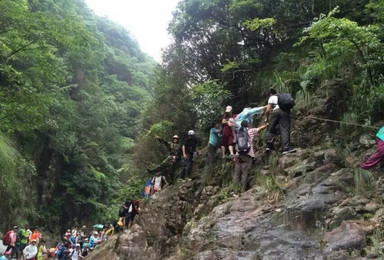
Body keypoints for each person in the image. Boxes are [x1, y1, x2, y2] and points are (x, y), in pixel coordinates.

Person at [234, 120, 268, 192]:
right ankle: (243, 190)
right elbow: (260, 128)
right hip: (247, 155)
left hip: (238, 155)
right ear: (248, 125)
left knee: (237, 174)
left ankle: (235, 190)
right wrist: (267, 124)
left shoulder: (238, 132)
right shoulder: (251, 131)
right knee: (245, 172)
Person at [265, 89, 296, 154]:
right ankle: (286, 148)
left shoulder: (272, 97)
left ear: (270, 94)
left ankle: (269, 145)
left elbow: (268, 110)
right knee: (284, 129)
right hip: (285, 112)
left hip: (275, 112)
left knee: (270, 128)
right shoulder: (281, 97)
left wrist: (267, 118)